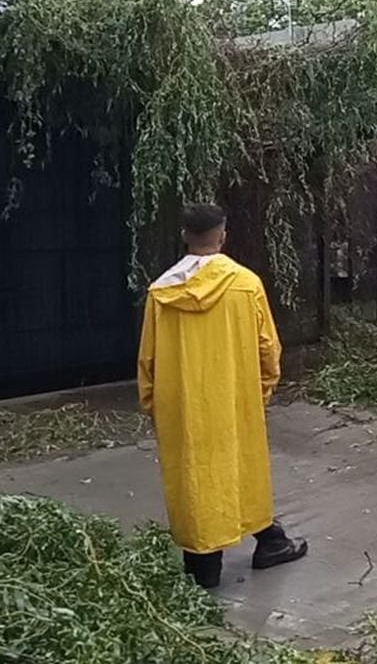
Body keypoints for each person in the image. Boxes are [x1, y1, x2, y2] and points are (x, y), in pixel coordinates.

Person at [137, 203, 307, 589]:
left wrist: (155, 406)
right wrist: (259, 392)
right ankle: (269, 541)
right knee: (241, 472)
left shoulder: (161, 293)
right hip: (235, 401)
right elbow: (268, 349)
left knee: (196, 479)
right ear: (223, 236)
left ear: (185, 236)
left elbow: (148, 360)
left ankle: (204, 564)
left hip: (183, 408)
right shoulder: (246, 284)